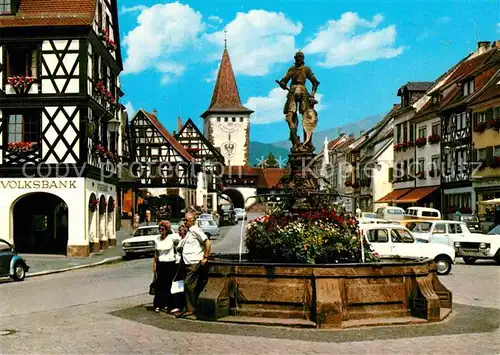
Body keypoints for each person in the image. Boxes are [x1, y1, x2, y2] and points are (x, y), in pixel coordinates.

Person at [176, 212, 211, 318]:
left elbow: (207, 242)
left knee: (188, 285)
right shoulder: (189, 232)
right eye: (184, 220)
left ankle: (192, 308)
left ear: (192, 221)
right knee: (189, 286)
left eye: (186, 220)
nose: (184, 222)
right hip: (187, 263)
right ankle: (189, 308)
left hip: (194, 262)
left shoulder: (196, 230)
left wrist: (205, 257)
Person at [152, 220, 180, 313]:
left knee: (169, 285)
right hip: (161, 263)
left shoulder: (171, 238)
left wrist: (170, 229)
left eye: (163, 229)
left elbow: (179, 239)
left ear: (167, 230)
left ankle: (168, 305)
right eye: (160, 229)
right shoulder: (157, 239)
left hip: (170, 263)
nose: (161, 231)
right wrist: (154, 265)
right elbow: (156, 253)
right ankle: (158, 305)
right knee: (160, 285)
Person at [170, 224, 188, 315]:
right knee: (178, 285)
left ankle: (182, 305)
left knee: (180, 285)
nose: (178, 232)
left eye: (180, 230)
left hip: (181, 265)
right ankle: (178, 305)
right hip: (177, 263)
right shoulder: (180, 240)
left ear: (184, 231)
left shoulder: (186, 240)